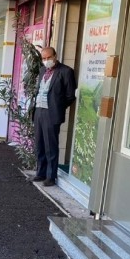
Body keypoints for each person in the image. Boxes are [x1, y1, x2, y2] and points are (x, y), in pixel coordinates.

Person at [32, 47, 77, 187]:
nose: (46, 61)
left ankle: (51, 176)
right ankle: (41, 172)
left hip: (52, 113)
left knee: (50, 145)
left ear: (55, 56)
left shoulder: (66, 71)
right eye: (43, 58)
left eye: (48, 58)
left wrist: (58, 107)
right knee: (39, 144)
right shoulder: (42, 70)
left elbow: (70, 95)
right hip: (39, 111)